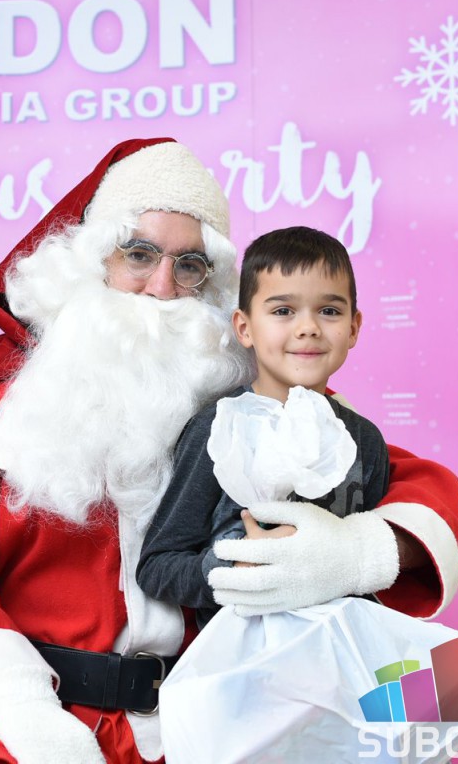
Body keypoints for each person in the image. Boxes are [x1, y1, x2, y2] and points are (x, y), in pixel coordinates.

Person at [0, 139, 458, 764]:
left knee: (456, 700)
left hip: (211, 724)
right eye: (138, 255)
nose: (163, 287)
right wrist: (20, 707)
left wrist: (355, 554)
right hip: (31, 726)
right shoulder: (3, 404)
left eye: (190, 265)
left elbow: (421, 485)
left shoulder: (239, 397)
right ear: (90, 263)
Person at [137, 226, 390, 629]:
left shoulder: (365, 440)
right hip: (235, 658)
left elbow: (370, 568)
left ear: (354, 327)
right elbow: (157, 567)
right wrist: (231, 566)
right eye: (283, 311)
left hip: (333, 657)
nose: (308, 328)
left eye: (329, 311)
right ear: (244, 328)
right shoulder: (215, 429)